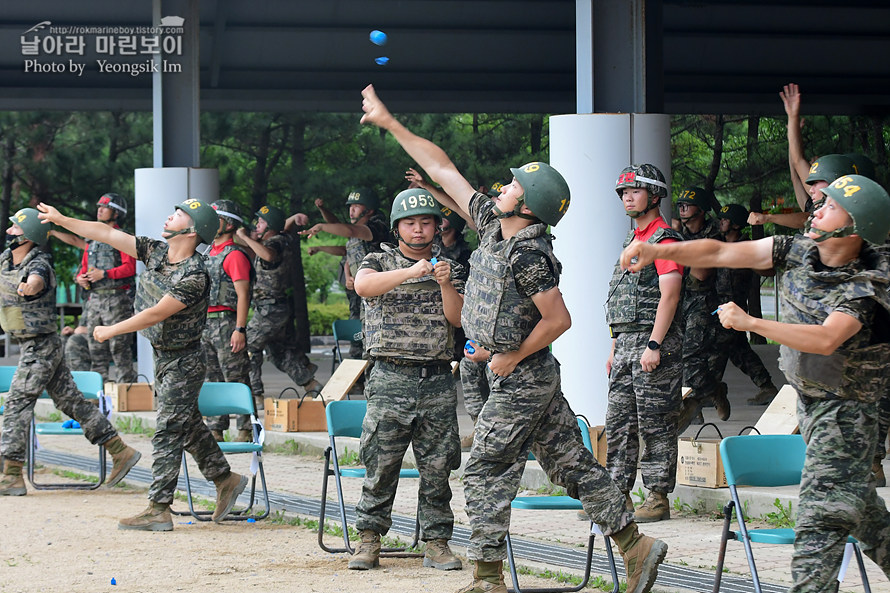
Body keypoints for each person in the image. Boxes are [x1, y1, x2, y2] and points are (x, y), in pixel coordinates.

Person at [360, 84, 667, 593]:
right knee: (572, 465)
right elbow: (443, 171)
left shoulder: (529, 253)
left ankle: (487, 579)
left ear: (527, 205)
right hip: (522, 374)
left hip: (522, 377)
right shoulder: (492, 227)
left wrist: (510, 355)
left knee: (483, 472)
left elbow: (558, 319)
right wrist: (392, 123)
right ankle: (636, 546)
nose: (502, 186)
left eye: (512, 184)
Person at [620, 174, 890, 592]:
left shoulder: (867, 283)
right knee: (865, 515)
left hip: (848, 416)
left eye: (832, 206)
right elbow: (723, 251)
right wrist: (658, 248)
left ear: (855, 228)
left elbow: (827, 338)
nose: (817, 208)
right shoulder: (800, 248)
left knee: (820, 524)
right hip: (813, 405)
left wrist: (750, 322)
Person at [37, 199, 247, 530]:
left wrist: (111, 330)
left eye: (178, 214)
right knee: (188, 426)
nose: (169, 215)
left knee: (167, 429)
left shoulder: (196, 273)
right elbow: (104, 233)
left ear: (192, 230)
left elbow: (157, 312)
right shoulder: (156, 252)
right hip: (164, 357)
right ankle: (225, 478)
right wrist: (61, 219)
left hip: (185, 362)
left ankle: (158, 508)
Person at [348, 188, 464, 573]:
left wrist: (445, 282)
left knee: (437, 467)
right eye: (411, 223)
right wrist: (413, 272)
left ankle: (437, 542)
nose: (418, 230)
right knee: (381, 464)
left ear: (437, 227)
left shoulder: (451, 266)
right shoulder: (378, 259)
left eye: (426, 222)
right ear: (398, 226)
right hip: (389, 376)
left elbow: (458, 319)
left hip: (435, 378)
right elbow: (363, 286)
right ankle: (368, 539)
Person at [0, 208, 140, 496]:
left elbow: (38, 280)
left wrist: (30, 286)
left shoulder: (39, 264)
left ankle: (12, 473)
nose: (9, 232)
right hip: (33, 344)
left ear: (29, 236)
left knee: (17, 401)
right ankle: (120, 450)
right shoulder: (5, 261)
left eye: (15, 228)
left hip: (40, 346)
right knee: (71, 402)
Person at [605, 165, 684, 523]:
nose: (627, 198)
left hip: (653, 342)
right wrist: (614, 347)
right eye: (623, 193)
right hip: (626, 344)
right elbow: (622, 298)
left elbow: (670, 295)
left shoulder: (664, 240)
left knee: (655, 422)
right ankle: (616, 494)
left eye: (634, 191)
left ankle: (656, 496)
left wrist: (654, 344)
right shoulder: (631, 241)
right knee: (619, 422)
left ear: (654, 196)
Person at [235, 204, 322, 404]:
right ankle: (310, 383)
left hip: (270, 310)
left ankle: (254, 394)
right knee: (279, 353)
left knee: (248, 346)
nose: (257, 225)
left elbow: (268, 255)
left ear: (271, 226)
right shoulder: (280, 240)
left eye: (262, 222)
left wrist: (247, 238)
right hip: (275, 309)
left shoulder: (276, 243)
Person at [302, 189, 389, 360]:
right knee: (359, 341)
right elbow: (347, 250)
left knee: (373, 342)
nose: (351, 210)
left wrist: (321, 226)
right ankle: (358, 382)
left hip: (380, 295)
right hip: (359, 294)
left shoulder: (377, 226)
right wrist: (349, 277)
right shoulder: (354, 232)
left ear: (369, 210)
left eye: (356, 206)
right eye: (350, 206)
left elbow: (349, 230)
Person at [674, 186, 730, 428]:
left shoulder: (714, 236)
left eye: (689, 204)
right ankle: (709, 393)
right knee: (677, 358)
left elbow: (701, 273)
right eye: (680, 205)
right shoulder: (678, 234)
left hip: (706, 303)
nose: (682, 208)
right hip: (681, 301)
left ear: (702, 210)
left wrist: (675, 248)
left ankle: (710, 392)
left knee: (689, 357)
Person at [713, 204, 779, 406]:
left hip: (734, 308)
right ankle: (766, 386)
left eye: (725, 219)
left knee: (717, 351)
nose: (721, 222)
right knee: (739, 351)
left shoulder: (747, 247)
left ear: (736, 224)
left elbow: (768, 270)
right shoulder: (719, 244)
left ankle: (707, 391)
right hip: (718, 306)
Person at [202, 199, 254, 441]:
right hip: (206, 322)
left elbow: (244, 294)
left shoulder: (234, 255)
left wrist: (239, 329)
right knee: (212, 377)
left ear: (230, 224)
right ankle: (216, 427)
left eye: (216, 219)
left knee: (236, 375)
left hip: (226, 322)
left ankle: (246, 427)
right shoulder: (206, 253)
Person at [75, 193, 137, 384]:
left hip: (117, 299)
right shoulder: (91, 241)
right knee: (95, 347)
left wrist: (105, 274)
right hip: (95, 301)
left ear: (116, 213)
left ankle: (126, 391)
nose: (99, 210)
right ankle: (98, 393)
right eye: (99, 206)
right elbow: (83, 269)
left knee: (119, 347)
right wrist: (81, 278)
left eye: (105, 207)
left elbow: (131, 267)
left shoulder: (123, 237)